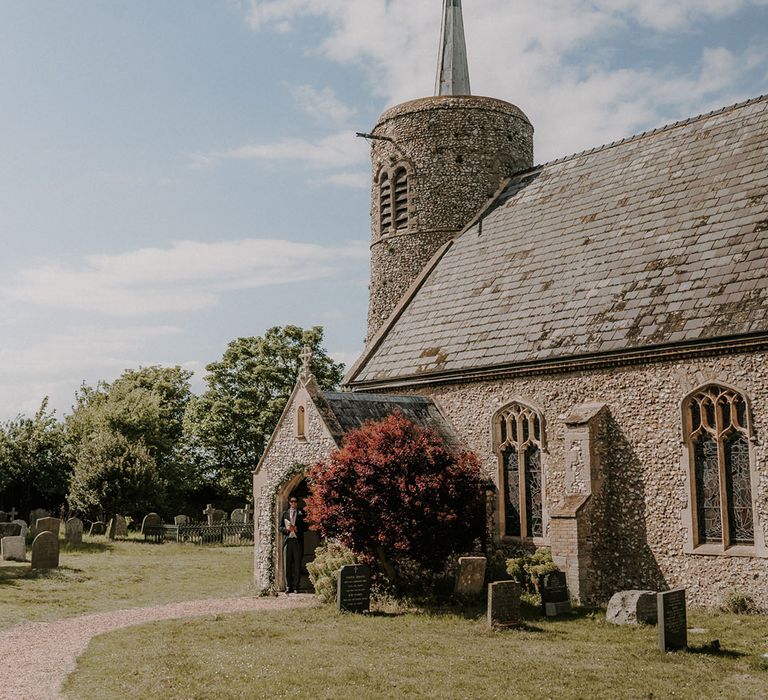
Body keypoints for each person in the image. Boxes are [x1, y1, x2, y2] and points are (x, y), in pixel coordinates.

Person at [279, 496, 306, 593]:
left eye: (295, 501)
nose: (294, 503)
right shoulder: (284, 514)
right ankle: (288, 586)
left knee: (297, 565)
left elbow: (306, 527)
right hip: (288, 541)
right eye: (292, 502)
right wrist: (287, 530)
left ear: (297, 503)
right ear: (289, 502)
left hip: (297, 541)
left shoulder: (301, 513)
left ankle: (296, 587)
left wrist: (297, 528)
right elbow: (280, 527)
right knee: (287, 564)